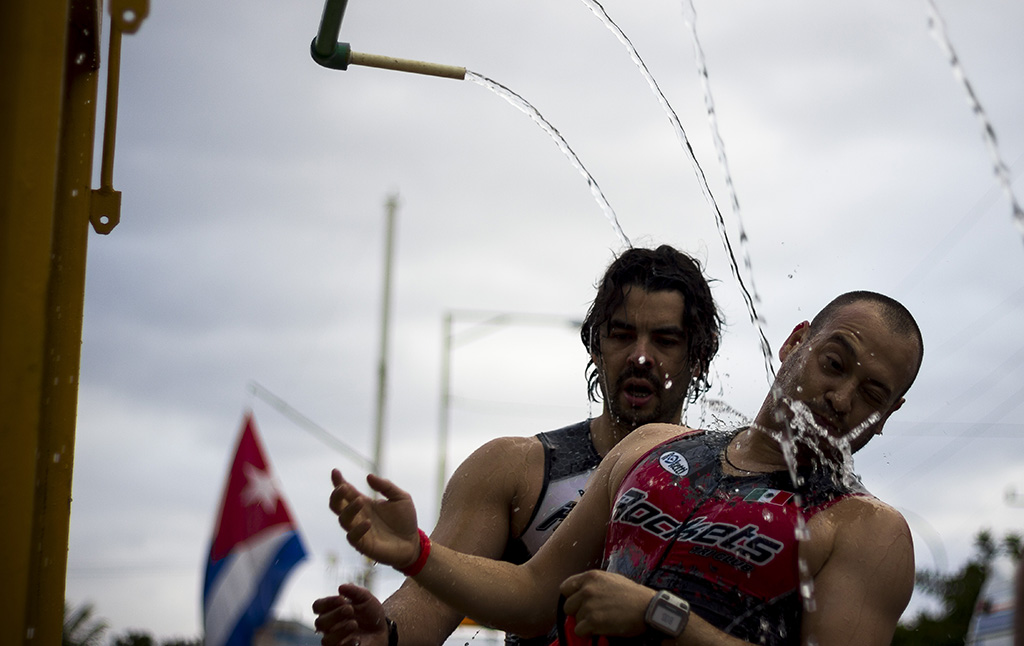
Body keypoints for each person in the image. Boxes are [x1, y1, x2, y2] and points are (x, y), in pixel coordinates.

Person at [329, 291, 925, 646]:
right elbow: (536, 593)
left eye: (872, 393)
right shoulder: (655, 447)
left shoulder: (866, 531)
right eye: (834, 363)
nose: (842, 398)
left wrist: (661, 615)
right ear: (795, 344)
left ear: (888, 413)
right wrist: (417, 553)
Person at [313, 245, 722, 646]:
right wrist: (386, 633)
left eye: (665, 341)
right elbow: (432, 599)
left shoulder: (729, 485)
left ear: (698, 356)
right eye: (622, 335)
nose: (640, 357)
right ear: (596, 346)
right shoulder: (515, 472)